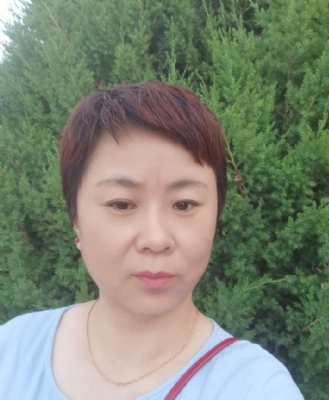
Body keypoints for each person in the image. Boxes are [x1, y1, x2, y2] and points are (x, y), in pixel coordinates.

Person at [0, 82, 304, 399]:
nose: (156, 239)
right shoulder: (11, 350)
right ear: (75, 217)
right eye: (121, 204)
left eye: (184, 204)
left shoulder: (255, 386)